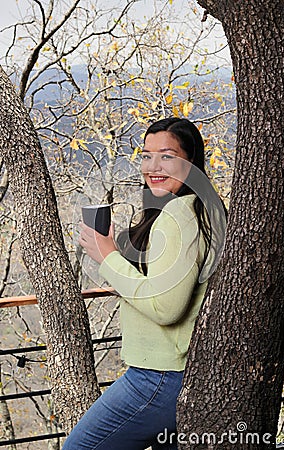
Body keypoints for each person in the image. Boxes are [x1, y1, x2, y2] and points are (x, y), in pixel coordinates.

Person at [63, 117, 225, 450]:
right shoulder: (203, 207)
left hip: (158, 377)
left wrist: (106, 256)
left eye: (166, 155)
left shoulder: (178, 216)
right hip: (177, 374)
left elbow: (167, 308)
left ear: (191, 161)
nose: (153, 166)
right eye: (146, 154)